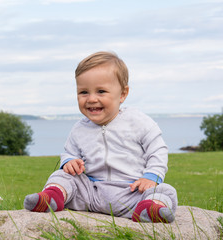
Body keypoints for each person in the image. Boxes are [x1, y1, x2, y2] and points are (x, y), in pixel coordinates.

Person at [24, 51, 178, 223]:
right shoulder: (79, 128)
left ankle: (149, 210)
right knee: (62, 176)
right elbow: (69, 152)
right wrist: (70, 162)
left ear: (122, 94)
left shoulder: (138, 122)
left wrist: (151, 177)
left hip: (131, 192)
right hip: (91, 192)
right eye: (83, 92)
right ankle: (51, 198)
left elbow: (157, 150)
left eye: (101, 91)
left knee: (165, 191)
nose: (91, 99)